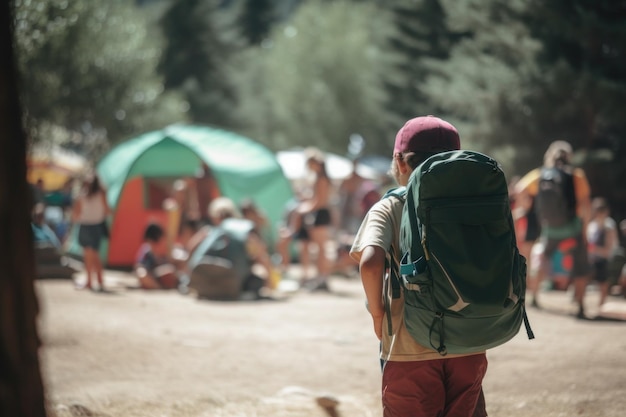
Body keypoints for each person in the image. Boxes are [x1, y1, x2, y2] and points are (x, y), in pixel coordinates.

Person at [350, 115, 488, 417]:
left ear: (400, 162)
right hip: (469, 343)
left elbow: (371, 263)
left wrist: (377, 313)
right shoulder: (475, 205)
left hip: (408, 347)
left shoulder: (390, 205)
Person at [515, 140, 591, 318]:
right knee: (580, 266)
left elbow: (519, 189)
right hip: (572, 228)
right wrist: (584, 230)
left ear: (549, 156)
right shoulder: (576, 175)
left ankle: (534, 296)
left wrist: (527, 207)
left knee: (543, 259)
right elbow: (586, 205)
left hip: (550, 228)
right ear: (569, 157)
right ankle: (580, 304)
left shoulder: (541, 174)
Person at [295, 147, 334, 291]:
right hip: (319, 214)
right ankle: (320, 278)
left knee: (321, 249)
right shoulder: (319, 178)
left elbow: (320, 202)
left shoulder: (321, 179)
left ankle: (322, 278)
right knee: (319, 249)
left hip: (320, 214)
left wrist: (303, 209)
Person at [72, 174, 111, 291]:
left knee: (88, 255)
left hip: (85, 226)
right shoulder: (102, 194)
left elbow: (76, 214)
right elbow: (107, 210)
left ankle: (90, 281)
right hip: (96, 226)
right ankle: (99, 280)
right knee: (95, 254)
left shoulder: (81, 195)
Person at [586, 197, 619, 307]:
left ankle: (602, 303)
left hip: (605, 258)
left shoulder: (609, 225)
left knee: (603, 280)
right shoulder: (592, 225)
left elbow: (610, 247)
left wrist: (596, 250)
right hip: (593, 257)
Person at [134, 223, 180, 290]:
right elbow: (141, 271)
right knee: (143, 275)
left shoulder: (167, 250)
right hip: (152, 277)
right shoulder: (146, 252)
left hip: (162, 278)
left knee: (171, 271)